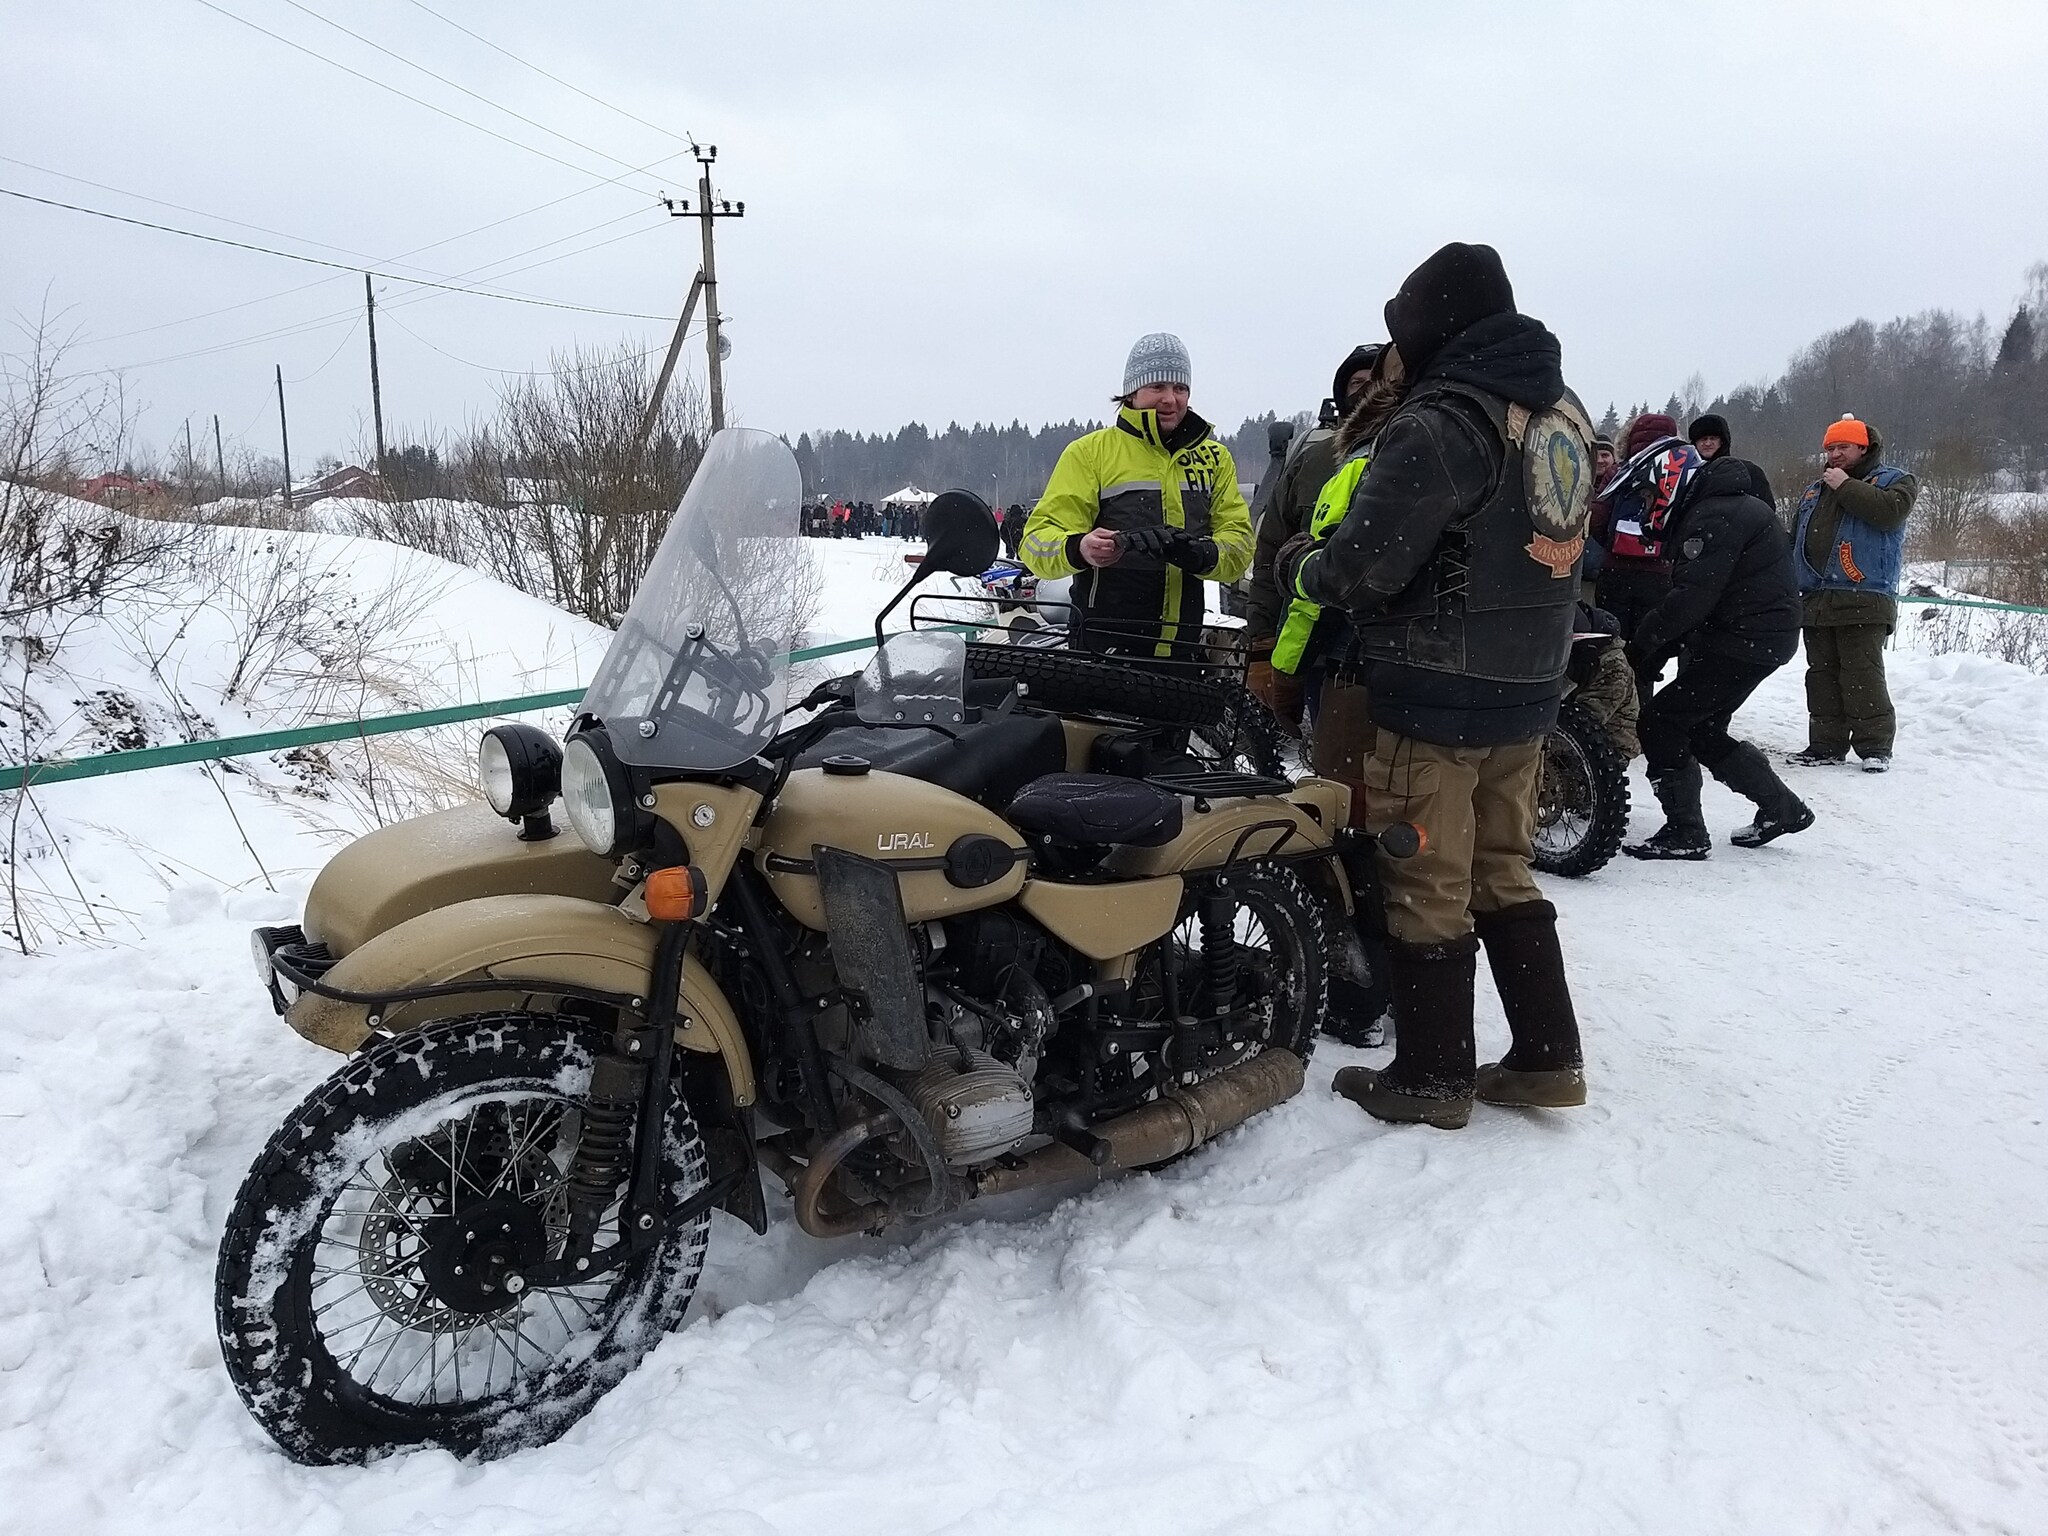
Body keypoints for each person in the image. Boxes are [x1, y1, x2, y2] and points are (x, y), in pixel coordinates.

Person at [1276, 242, 1594, 1128]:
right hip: (1530, 687)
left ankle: (1431, 1075)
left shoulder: (1442, 419)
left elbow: (1362, 567)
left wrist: (1305, 562)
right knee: (1503, 866)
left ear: (1433, 327)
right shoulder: (1558, 410)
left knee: (1423, 873)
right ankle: (1546, 1056)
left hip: (1435, 690)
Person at [1617, 446, 1811, 858]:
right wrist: (1654, 650)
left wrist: (1640, 649)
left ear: (1670, 483)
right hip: (1754, 637)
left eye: (1651, 496)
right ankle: (1783, 808)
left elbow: (1690, 599)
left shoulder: (1714, 515)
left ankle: (1685, 832)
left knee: (1661, 722)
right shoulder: (1723, 507)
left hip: (1745, 640)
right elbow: (1700, 598)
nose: (1648, 507)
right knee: (1701, 729)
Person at [1019, 333, 1254, 658]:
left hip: (1183, 652)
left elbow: (1241, 546)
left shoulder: (1214, 458)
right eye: (1157, 386)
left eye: (1180, 388)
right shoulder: (1090, 454)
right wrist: (1080, 548)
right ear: (1132, 391)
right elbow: (1035, 542)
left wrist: (1201, 555)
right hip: (1104, 650)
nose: (1170, 399)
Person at [1245, 344, 1385, 739]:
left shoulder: (1414, 452)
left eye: (1376, 380)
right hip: (1316, 655)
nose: (1366, 391)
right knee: (1336, 771)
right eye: (1357, 383)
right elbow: (1273, 549)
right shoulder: (1313, 458)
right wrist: (1261, 640)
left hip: (1384, 653)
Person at [1789, 415, 1917, 771]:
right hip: (1816, 596)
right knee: (1821, 676)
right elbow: (1794, 538)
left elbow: (1890, 513)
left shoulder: (1897, 480)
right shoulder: (1815, 489)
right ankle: (1825, 746)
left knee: (1862, 673)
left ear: (1864, 447)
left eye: (1843, 447)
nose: (1835, 454)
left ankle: (1875, 748)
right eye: (1830, 448)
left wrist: (1845, 486)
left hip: (1866, 595)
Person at [1592, 412, 1683, 644]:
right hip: (1658, 575)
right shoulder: (1679, 476)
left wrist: (1614, 544)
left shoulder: (1620, 471)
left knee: (1610, 640)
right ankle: (1641, 679)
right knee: (1646, 643)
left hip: (1616, 572)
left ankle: (1613, 678)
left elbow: (1596, 519)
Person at [1687, 412, 1775, 505]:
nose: (1708, 443)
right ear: (1695, 443)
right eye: (1703, 439)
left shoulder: (1748, 471)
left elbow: (1765, 512)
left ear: (1722, 441)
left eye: (1713, 438)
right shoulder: (1688, 475)